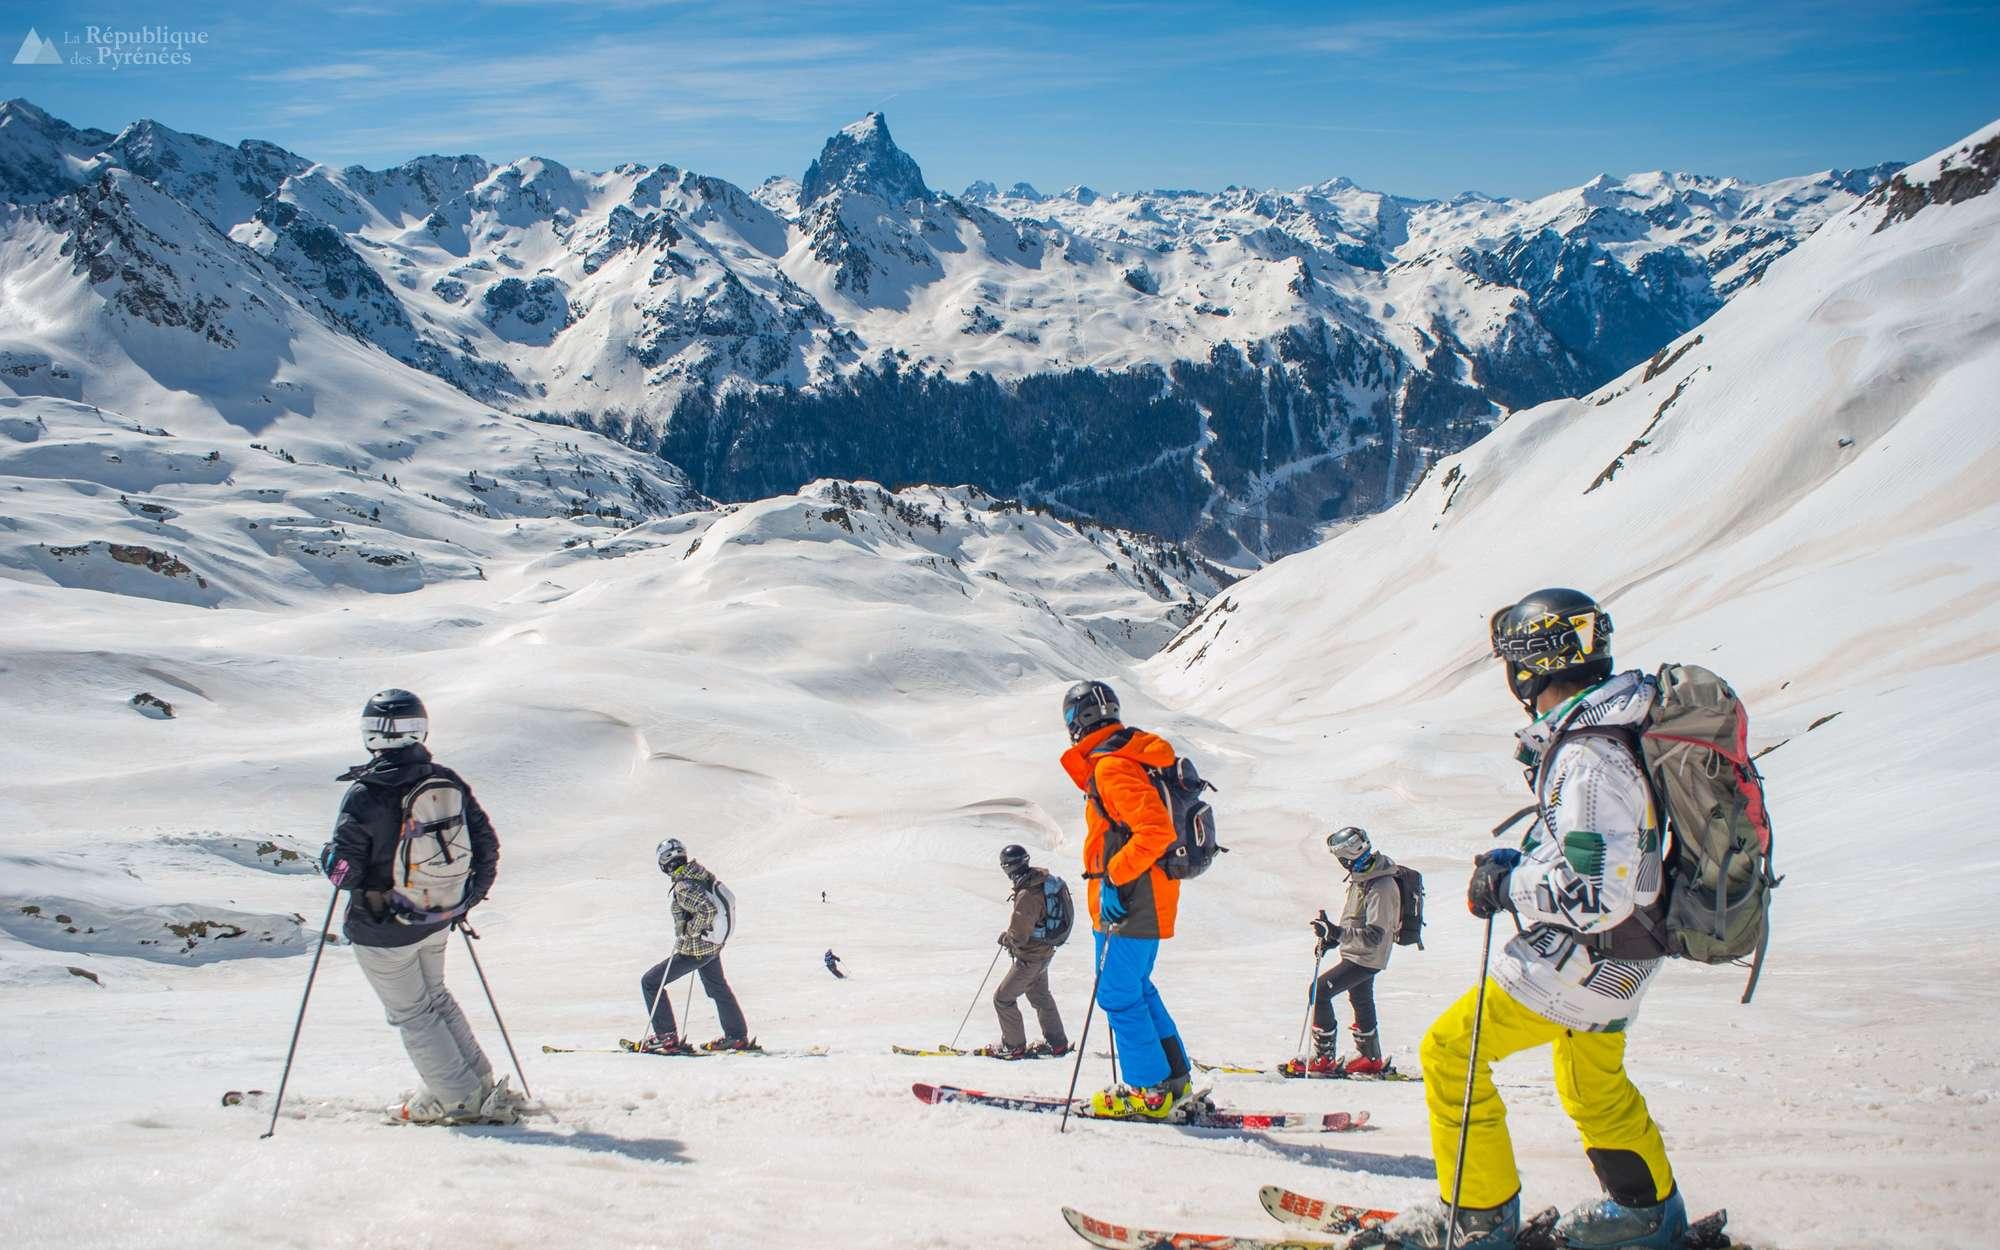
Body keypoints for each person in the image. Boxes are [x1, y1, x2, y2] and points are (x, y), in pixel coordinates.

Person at [1384, 589, 1686, 1250]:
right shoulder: (1613, 735)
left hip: (1585, 957)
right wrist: (1527, 856)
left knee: (1451, 1051)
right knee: (1592, 1085)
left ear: (1529, 668)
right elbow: (1603, 851)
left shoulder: (1586, 758)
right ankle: (1648, 1217)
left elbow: (1597, 892)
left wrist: (1508, 883)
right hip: (1627, 953)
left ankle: (1480, 1218)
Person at [319, 689, 518, 1125]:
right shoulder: (445, 781)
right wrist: (464, 902)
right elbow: (487, 847)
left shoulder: (365, 793)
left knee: (412, 1013)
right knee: (437, 1000)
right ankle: (477, 1083)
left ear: (371, 735)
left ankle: (458, 1097)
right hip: (435, 918)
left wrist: (327, 861)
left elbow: (345, 874)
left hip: (382, 928)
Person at [1059, 679, 1193, 1120]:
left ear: (1075, 723)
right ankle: (1173, 1080)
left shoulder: (1111, 766)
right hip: (1142, 896)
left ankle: (1149, 1091)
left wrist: (1114, 878)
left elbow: (1156, 831)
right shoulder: (1129, 756)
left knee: (1117, 994)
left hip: (1131, 899)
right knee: (1136, 989)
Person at [1294, 825, 1400, 1076]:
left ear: (1349, 856)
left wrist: (1337, 933)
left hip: (1367, 956)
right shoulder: (1363, 877)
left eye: (1340, 858)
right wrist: (1333, 937)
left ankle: (1324, 1059)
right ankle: (1370, 1058)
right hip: (1359, 953)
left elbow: (1375, 935)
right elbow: (1356, 920)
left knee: (1318, 991)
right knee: (1361, 997)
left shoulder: (1381, 885)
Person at [636, 839, 751, 1054]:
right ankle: (736, 1036)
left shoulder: (684, 885)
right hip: (713, 946)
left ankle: (666, 1036)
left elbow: (707, 910)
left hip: (698, 950)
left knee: (651, 982)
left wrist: (690, 931)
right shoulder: (702, 875)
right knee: (718, 988)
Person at [975, 845, 1071, 1059]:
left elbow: (1019, 934)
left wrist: (1007, 938)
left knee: (1003, 998)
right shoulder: (1040, 882)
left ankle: (1014, 1046)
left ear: (1008, 868)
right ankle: (1057, 1044)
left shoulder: (1027, 893)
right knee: (1040, 996)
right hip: (1044, 952)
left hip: (1031, 957)